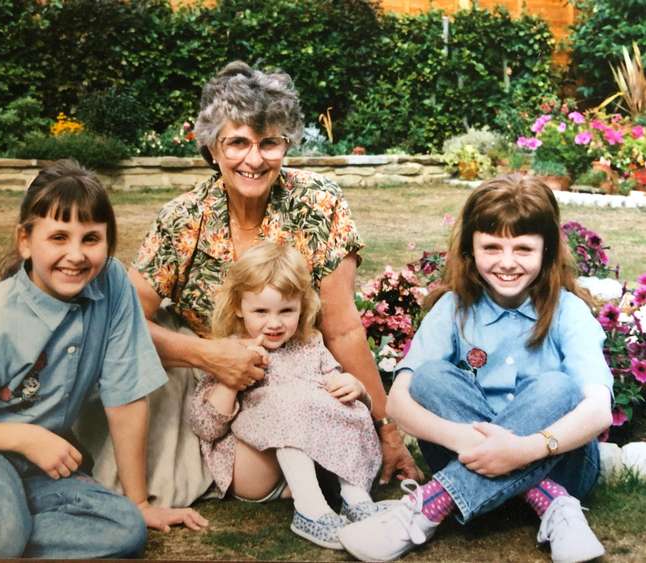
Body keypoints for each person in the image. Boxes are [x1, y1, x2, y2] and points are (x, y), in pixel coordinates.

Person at [82, 60, 420, 508]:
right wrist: (208, 355)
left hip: (303, 369)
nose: (254, 159)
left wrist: (387, 431)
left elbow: (342, 329)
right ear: (213, 147)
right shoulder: (183, 219)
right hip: (215, 388)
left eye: (269, 143)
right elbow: (121, 318)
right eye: (238, 142)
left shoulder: (319, 204)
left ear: (287, 143)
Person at [0, 160, 205, 558]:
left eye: (91, 239)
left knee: (124, 528)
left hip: (36, 466)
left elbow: (124, 396)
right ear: (25, 241)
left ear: (108, 242)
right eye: (58, 237)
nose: (75, 255)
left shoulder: (112, 285)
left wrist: (140, 502)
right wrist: (24, 438)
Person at [337, 174, 613, 562]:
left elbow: (598, 410)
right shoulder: (453, 309)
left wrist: (522, 449)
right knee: (430, 378)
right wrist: (471, 443)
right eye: (492, 247)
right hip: (467, 454)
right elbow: (398, 402)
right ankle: (548, 500)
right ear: (470, 247)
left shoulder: (569, 312)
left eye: (523, 248)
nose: (506, 262)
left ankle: (431, 504)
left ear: (547, 250)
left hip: (561, 464)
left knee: (559, 388)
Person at [189, 242, 382, 549]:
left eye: (287, 311)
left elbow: (336, 388)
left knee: (344, 401)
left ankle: (354, 497)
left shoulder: (310, 343)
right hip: (253, 470)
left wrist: (355, 388)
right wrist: (230, 382)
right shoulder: (230, 351)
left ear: (302, 307)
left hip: (309, 464)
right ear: (239, 307)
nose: (275, 323)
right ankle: (310, 512)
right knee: (285, 401)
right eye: (261, 311)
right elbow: (207, 428)